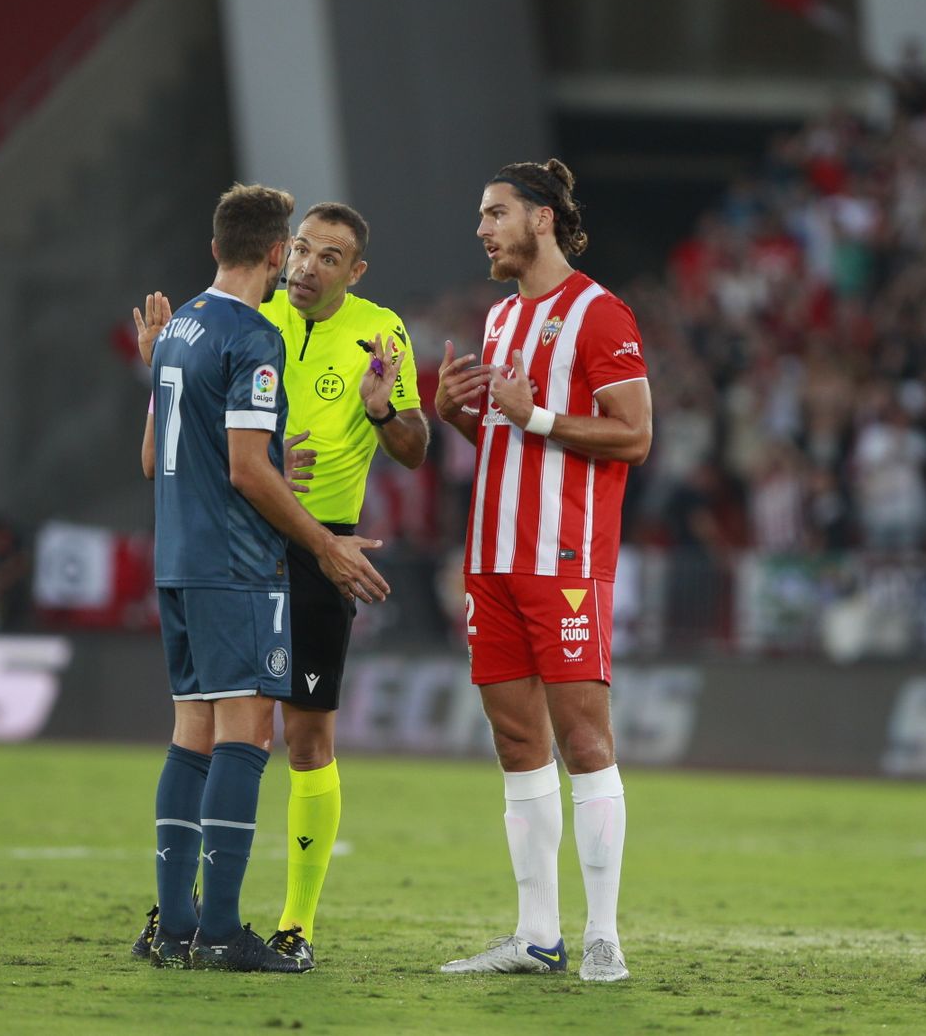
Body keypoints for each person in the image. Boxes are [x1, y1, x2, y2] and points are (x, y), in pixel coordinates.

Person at [133, 201, 427, 971]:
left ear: (355, 272)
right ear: (278, 252)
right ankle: (200, 918)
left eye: (329, 257)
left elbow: (414, 448)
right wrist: (266, 471)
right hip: (254, 541)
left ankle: (291, 921)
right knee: (233, 732)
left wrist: (383, 410)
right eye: (300, 250)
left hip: (304, 543)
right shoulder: (253, 324)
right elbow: (237, 459)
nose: (307, 267)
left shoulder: (379, 331)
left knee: (301, 738)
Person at [433, 159, 652, 982]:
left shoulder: (600, 313)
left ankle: (604, 937)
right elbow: (511, 438)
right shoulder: (499, 321)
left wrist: (537, 415)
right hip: (491, 559)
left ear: (542, 219)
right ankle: (535, 936)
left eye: (496, 213)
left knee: (585, 741)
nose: (482, 229)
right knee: (517, 742)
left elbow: (634, 436)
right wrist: (460, 417)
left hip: (564, 559)